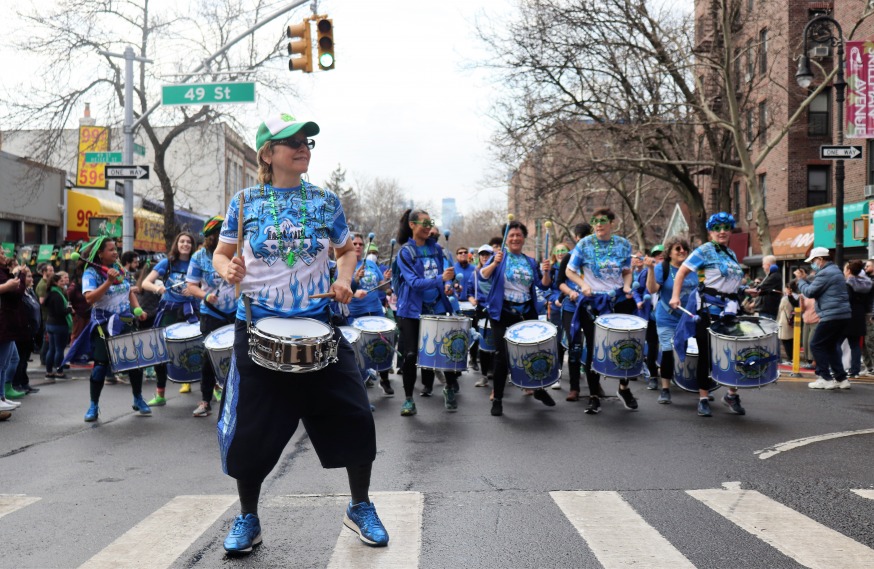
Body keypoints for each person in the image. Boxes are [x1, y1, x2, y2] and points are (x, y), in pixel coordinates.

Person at [212, 113, 387, 554]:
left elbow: (346, 251)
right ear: (268, 154)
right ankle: (248, 517)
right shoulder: (245, 201)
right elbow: (221, 252)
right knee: (251, 431)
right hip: (256, 327)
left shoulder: (326, 201)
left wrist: (344, 278)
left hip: (319, 326)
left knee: (355, 415)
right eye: (290, 141)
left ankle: (360, 505)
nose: (303, 146)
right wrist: (227, 268)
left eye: (307, 140)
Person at [61, 237, 151, 421]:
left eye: (115, 248)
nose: (115, 252)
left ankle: (138, 398)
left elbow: (128, 292)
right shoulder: (91, 274)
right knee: (101, 366)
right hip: (103, 324)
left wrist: (138, 309)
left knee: (135, 363)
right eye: (111, 249)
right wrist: (108, 282)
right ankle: (93, 405)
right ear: (100, 254)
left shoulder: (120, 270)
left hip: (125, 321)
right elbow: (89, 299)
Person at [669, 212, 748, 417]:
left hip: (730, 311)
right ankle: (703, 397)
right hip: (708, 310)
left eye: (726, 227)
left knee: (734, 352)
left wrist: (744, 291)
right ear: (711, 231)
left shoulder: (730, 254)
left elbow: (730, 282)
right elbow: (682, 272)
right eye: (717, 228)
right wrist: (675, 296)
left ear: (730, 230)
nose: (722, 231)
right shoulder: (704, 250)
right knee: (706, 355)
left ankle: (731, 394)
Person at [565, 208, 637, 415]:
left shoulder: (623, 244)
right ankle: (594, 396)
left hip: (617, 301)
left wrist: (627, 286)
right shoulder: (584, 244)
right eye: (594, 221)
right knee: (594, 347)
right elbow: (570, 270)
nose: (598, 224)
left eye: (603, 220)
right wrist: (582, 285)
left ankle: (624, 388)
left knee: (623, 344)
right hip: (593, 301)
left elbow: (626, 271)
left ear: (612, 222)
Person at [482, 219, 553, 416]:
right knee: (502, 357)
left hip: (526, 312)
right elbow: (483, 275)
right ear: (506, 238)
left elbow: (544, 285)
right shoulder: (499, 257)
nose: (515, 238)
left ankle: (538, 389)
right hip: (502, 312)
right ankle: (498, 399)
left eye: (518, 235)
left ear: (523, 239)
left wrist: (546, 272)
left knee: (531, 353)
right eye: (511, 235)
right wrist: (494, 264)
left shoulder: (530, 261)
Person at [394, 209, 459, 416]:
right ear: (412, 225)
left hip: (437, 307)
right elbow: (413, 283)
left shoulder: (437, 249)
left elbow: (443, 278)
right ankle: (408, 400)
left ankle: (449, 387)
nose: (429, 226)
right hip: (411, 311)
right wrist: (440, 279)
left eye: (431, 222)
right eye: (424, 223)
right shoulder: (405, 252)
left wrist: (447, 284)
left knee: (445, 351)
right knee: (411, 354)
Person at [185, 216, 236, 417]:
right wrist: (205, 295)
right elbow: (191, 286)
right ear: (212, 236)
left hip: (236, 312)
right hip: (211, 314)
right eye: (221, 234)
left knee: (239, 357)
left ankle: (236, 400)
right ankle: (205, 400)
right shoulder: (199, 257)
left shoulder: (238, 252)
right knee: (209, 358)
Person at [141, 232, 199, 404]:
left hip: (190, 311)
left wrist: (194, 290)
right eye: (182, 241)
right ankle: (160, 395)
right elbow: (145, 283)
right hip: (168, 311)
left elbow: (206, 284)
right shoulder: (167, 263)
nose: (185, 244)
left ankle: (203, 387)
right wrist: (158, 289)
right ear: (177, 243)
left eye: (189, 242)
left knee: (194, 348)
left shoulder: (197, 263)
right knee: (161, 352)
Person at [646, 235, 697, 405]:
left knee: (696, 351)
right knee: (668, 351)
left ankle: (695, 384)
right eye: (678, 248)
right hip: (666, 317)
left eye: (685, 248)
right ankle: (666, 388)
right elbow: (652, 289)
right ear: (669, 253)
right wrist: (651, 270)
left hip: (688, 319)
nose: (682, 251)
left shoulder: (693, 269)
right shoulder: (663, 268)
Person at [794, 248, 852, 390]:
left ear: (820, 259)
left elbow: (810, 292)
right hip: (843, 314)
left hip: (831, 315)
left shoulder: (825, 273)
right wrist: (805, 279)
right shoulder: (835, 271)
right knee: (831, 346)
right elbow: (817, 286)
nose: (813, 264)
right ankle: (841, 378)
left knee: (816, 344)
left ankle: (825, 378)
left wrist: (800, 281)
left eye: (813, 261)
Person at [348, 234, 394, 395]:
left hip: (375, 310)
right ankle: (362, 381)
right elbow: (340, 289)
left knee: (382, 344)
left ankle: (385, 379)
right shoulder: (345, 264)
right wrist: (355, 282)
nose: (358, 246)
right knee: (360, 350)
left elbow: (381, 287)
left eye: (361, 243)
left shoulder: (371, 264)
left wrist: (387, 282)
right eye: (355, 243)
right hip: (356, 313)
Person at [555, 222, 593, 402]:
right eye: (581, 237)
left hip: (592, 308)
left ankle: (595, 386)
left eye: (588, 237)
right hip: (571, 309)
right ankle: (574, 387)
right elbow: (559, 283)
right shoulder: (568, 257)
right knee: (575, 346)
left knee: (594, 346)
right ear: (576, 238)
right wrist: (570, 292)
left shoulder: (595, 259)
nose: (584, 241)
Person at [635, 244, 664, 390]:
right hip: (650, 316)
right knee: (652, 347)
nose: (660, 255)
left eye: (663, 253)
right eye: (657, 253)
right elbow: (637, 290)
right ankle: (653, 376)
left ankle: (668, 377)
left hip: (667, 318)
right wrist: (638, 301)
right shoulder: (645, 273)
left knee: (667, 348)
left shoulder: (672, 272)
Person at [0, 255, 27, 409]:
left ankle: (2, 396)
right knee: (2, 363)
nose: (4, 255)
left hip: (8, 323)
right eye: (1, 252)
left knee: (5, 363)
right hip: (3, 322)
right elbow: (15, 293)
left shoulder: (3, 272)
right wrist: (19, 278)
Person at [12, 267, 41, 395]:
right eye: (27, 276)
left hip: (30, 332)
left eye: (30, 276)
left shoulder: (29, 291)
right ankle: (16, 384)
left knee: (24, 360)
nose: (30, 279)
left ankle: (24, 383)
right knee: (19, 360)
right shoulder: (19, 292)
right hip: (22, 332)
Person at [470, 244, 496, 388]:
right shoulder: (475, 274)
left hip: (497, 310)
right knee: (484, 345)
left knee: (498, 345)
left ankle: (497, 373)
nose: (485, 257)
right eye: (482, 255)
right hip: (482, 311)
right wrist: (472, 300)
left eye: (488, 255)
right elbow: (469, 291)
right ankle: (484, 375)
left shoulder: (498, 272)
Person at [843, 260, 872, 380]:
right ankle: (855, 370)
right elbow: (868, 302)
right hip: (860, 315)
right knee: (855, 345)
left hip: (848, 314)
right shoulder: (868, 284)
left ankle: (837, 368)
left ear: (849, 271)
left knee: (837, 342)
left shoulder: (848, 284)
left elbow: (846, 300)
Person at [44, 271, 72, 380]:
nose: (63, 282)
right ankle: (59, 372)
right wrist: (69, 309)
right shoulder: (57, 295)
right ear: (55, 282)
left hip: (50, 324)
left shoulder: (50, 292)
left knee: (51, 349)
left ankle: (49, 371)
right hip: (59, 325)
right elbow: (60, 312)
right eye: (61, 281)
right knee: (59, 349)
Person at [776, 281, 799, 364]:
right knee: (793, 340)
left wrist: (777, 321)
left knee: (785, 340)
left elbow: (780, 309)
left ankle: (790, 358)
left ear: (789, 289)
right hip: (794, 320)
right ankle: (793, 357)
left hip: (785, 321)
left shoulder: (785, 298)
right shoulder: (798, 297)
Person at [752, 255, 782, 320]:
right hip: (766, 310)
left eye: (763, 264)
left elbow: (762, 287)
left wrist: (754, 289)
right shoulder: (771, 275)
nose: (762, 267)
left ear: (768, 265)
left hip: (768, 311)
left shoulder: (774, 276)